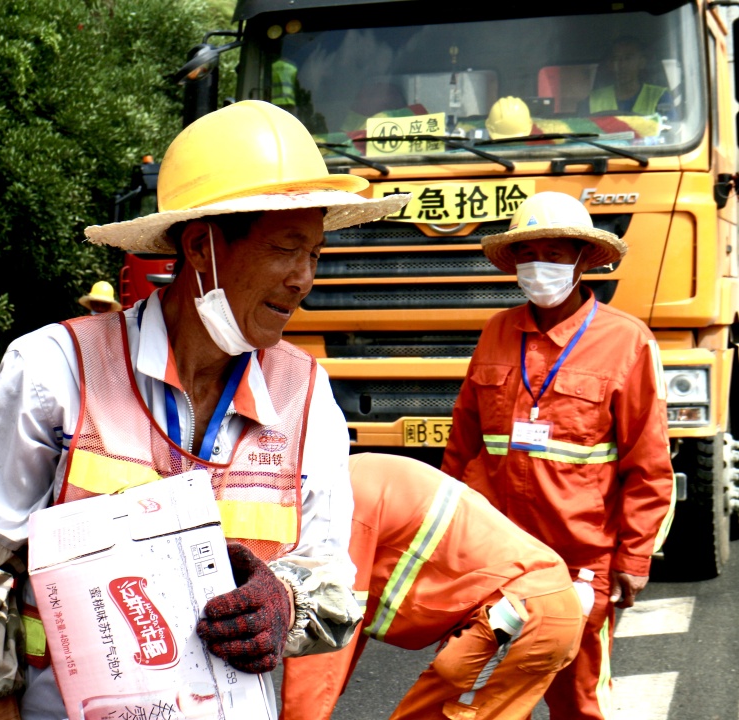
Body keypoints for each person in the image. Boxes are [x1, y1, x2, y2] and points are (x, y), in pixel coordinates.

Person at [0, 99, 411, 719]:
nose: (304, 277)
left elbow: (330, 584)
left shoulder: (308, 401)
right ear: (202, 247)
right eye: (287, 248)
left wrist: (284, 602)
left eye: (314, 252)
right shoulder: (58, 372)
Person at [441, 191, 673, 719]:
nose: (537, 265)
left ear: (580, 258)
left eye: (552, 252)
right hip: (493, 558)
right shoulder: (497, 332)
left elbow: (649, 464)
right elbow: (463, 446)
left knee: (578, 701)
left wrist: (633, 559)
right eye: (526, 253)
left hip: (580, 563)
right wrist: (444, 541)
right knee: (474, 693)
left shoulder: (627, 341)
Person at [282, 454, 585, 720]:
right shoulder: (357, 478)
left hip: (519, 614)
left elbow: (322, 635)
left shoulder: (342, 508)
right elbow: (342, 629)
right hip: (540, 606)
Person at [587, 37, 673, 116]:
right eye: (616, 59)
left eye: (628, 58)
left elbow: (671, 130)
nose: (621, 65)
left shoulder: (660, 96)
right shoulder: (593, 99)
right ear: (610, 65)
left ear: (641, 63)